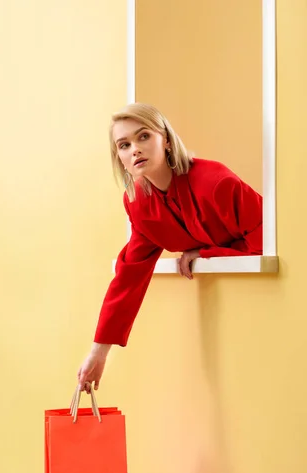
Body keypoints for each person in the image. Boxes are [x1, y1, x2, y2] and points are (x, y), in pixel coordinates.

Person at [77, 103, 262, 392]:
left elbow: (273, 238)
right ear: (120, 159)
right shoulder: (138, 203)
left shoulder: (216, 181)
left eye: (143, 137)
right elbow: (130, 275)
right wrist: (98, 353)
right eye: (124, 145)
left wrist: (208, 254)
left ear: (165, 139)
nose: (135, 149)